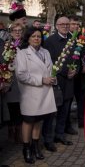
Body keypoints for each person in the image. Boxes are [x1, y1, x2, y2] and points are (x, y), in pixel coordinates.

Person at [15, 27, 56, 164]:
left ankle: (35, 146)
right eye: (33, 36)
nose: (37, 39)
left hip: (44, 94)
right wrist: (41, 80)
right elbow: (21, 75)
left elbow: (49, 70)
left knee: (38, 121)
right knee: (28, 122)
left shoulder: (46, 52)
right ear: (28, 38)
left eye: (39, 36)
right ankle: (26, 149)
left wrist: (52, 78)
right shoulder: (22, 54)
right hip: (30, 94)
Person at [41, 16, 76, 152]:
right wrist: (65, 71)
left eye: (67, 24)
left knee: (64, 111)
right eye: (62, 24)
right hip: (56, 82)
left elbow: (76, 59)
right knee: (51, 113)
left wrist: (75, 70)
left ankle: (59, 135)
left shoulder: (73, 40)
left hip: (69, 81)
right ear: (56, 26)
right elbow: (49, 61)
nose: (65, 26)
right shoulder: (50, 41)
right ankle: (48, 139)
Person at [2, 23, 24, 144]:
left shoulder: (25, 46)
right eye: (15, 30)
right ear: (10, 33)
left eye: (19, 30)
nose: (17, 32)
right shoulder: (7, 46)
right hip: (11, 79)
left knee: (21, 107)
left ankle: (19, 131)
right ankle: (12, 131)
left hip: (23, 80)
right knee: (12, 107)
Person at [65, 15, 85, 132]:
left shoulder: (81, 38)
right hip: (69, 74)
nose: (76, 26)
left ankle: (81, 121)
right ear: (68, 25)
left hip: (81, 74)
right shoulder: (66, 37)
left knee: (82, 98)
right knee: (68, 100)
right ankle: (66, 123)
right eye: (73, 24)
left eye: (77, 25)